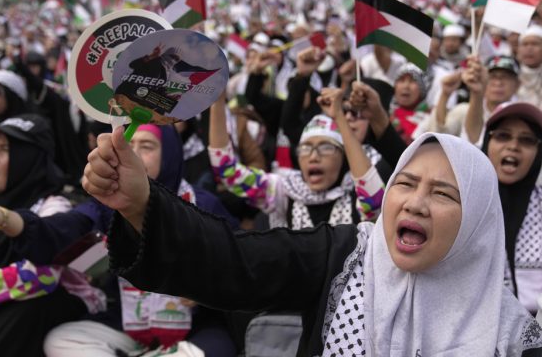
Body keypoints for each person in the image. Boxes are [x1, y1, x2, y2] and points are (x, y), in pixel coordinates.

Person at [84, 128, 542, 356]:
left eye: (442, 193)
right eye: (404, 183)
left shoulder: (513, 337)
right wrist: (142, 204)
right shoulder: (343, 255)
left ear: (478, 223)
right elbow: (237, 262)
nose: (415, 204)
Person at [44, 124, 238, 357]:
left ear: (170, 154)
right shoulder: (109, 204)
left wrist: (206, 289)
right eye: (128, 146)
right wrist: (14, 222)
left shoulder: (202, 204)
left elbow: (239, 263)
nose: (133, 155)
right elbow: (69, 228)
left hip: (195, 329)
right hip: (127, 325)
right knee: (61, 340)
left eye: (146, 146)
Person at [0, 114, 89, 357]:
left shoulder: (55, 207)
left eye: (6, 149)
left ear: (28, 159)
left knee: (20, 314)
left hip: (44, 300)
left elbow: (42, 276)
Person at [209, 85, 385, 229]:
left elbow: (375, 201)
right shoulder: (283, 191)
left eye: (325, 147)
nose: (313, 157)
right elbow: (227, 171)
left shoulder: (355, 194)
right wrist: (217, 100)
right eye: (305, 149)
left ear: (343, 156)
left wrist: (339, 116)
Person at [481, 102, 542, 315]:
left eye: (526, 140)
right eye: (503, 136)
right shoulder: (462, 204)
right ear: (487, 142)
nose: (513, 146)